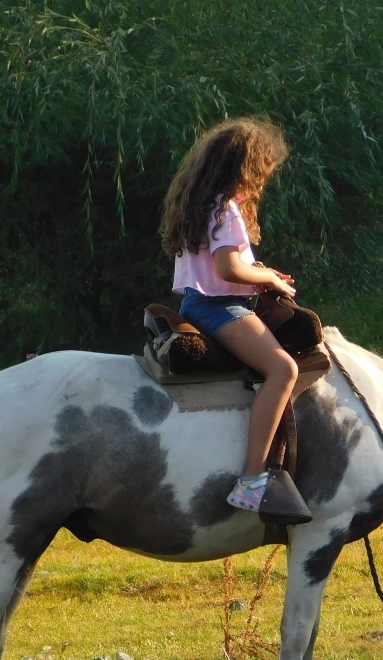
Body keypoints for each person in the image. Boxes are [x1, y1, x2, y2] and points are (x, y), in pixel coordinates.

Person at [161, 117, 301, 513]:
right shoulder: (226, 209)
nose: (262, 182)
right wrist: (269, 282)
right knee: (283, 370)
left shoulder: (203, 203)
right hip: (217, 307)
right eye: (262, 173)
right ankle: (252, 480)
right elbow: (228, 271)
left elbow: (231, 267)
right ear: (246, 168)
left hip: (202, 301)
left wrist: (264, 275)